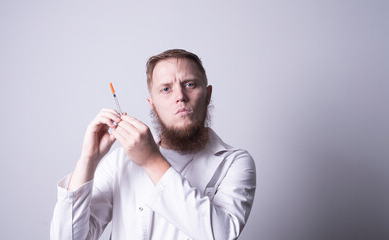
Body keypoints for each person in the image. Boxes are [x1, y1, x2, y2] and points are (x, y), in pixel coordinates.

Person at [50, 49, 256, 240]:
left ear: (208, 95)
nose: (180, 97)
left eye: (190, 84)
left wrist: (150, 161)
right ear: (153, 105)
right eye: (166, 89)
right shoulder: (119, 163)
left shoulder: (234, 162)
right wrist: (88, 160)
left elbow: (221, 235)